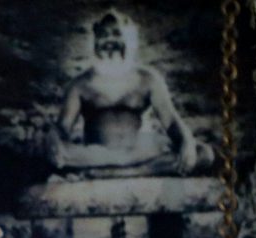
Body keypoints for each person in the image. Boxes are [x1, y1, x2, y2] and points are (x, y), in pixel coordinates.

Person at [53, 11, 208, 177]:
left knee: (203, 153)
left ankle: (122, 173)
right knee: (49, 152)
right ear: (95, 40)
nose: (109, 40)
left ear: (129, 39)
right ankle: (115, 169)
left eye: (117, 34)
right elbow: (63, 128)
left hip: (141, 154)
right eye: (103, 35)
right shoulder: (80, 84)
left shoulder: (148, 78)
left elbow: (170, 122)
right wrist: (54, 143)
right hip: (97, 156)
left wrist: (186, 142)